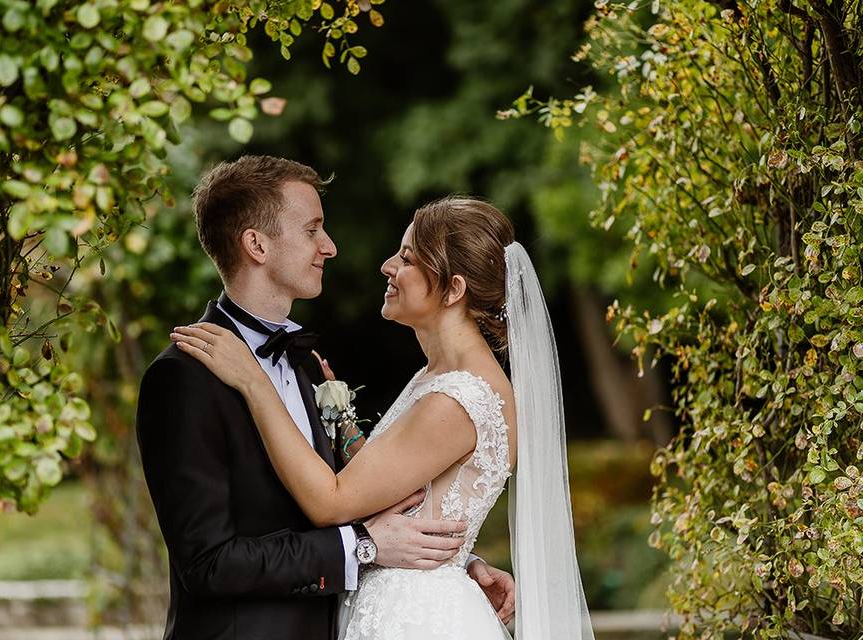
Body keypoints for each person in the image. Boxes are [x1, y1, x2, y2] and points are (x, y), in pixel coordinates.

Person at [172, 195, 596, 639]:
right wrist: (341, 422)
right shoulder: (437, 377)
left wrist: (254, 383)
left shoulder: (458, 397)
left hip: (414, 619)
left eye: (408, 258)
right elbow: (404, 491)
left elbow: (332, 501)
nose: (387, 266)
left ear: (453, 289)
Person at [136, 156, 515, 640]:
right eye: (313, 229)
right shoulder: (184, 377)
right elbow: (208, 563)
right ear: (256, 244)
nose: (330, 247)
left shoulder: (308, 365)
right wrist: (367, 547)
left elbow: (362, 494)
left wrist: (452, 557)